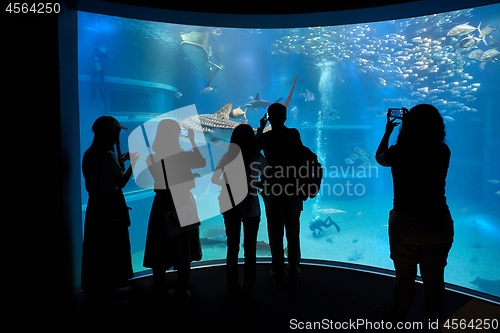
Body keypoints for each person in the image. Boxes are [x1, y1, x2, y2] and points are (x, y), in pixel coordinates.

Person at [375, 104, 454, 323]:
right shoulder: (442, 151)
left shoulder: (399, 151)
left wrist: (389, 132)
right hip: (438, 221)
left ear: (408, 125)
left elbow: (380, 158)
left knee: (404, 278)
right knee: (435, 280)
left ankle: (398, 320)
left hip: (406, 223)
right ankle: (432, 325)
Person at [143, 119, 205, 308]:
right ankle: (182, 291)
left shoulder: (151, 157)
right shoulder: (181, 155)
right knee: (183, 249)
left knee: (159, 249)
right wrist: (193, 141)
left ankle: (160, 291)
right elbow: (201, 162)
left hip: (161, 206)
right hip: (181, 203)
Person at [81, 115, 139, 302]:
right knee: (113, 245)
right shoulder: (107, 155)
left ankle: (99, 290)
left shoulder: (89, 154)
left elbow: (100, 176)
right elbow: (120, 182)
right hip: (110, 206)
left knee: (97, 247)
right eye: (117, 132)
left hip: (95, 205)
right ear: (112, 134)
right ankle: (113, 290)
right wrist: (134, 164)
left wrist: (119, 160)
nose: (118, 136)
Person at [211, 124, 268, 300]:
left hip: (230, 206)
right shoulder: (258, 157)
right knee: (250, 249)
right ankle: (249, 285)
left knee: (232, 247)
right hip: (251, 206)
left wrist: (229, 184)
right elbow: (269, 178)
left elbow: (215, 179)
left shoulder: (227, 156)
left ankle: (232, 285)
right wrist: (256, 184)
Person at [256, 102, 305, 289]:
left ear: (269, 118)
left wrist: (261, 127)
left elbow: (251, 148)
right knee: (293, 234)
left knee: (275, 235)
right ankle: (294, 272)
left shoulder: (266, 138)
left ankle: (277, 273)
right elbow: (301, 157)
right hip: (293, 191)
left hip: (273, 193)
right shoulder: (294, 134)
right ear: (285, 118)